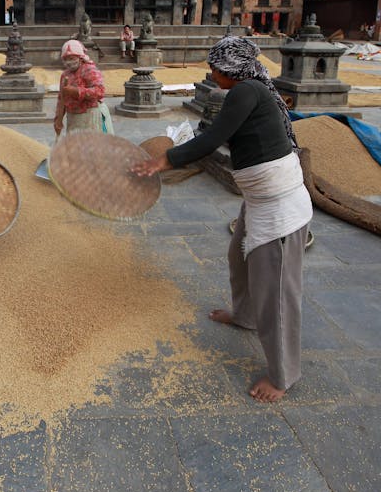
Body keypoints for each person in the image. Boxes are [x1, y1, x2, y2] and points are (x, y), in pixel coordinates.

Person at [131, 36, 313, 403]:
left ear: (231, 68)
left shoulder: (245, 91)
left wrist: (163, 161)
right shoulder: (249, 91)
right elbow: (211, 133)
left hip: (280, 205)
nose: (210, 73)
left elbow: (213, 138)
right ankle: (244, 315)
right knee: (238, 256)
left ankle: (283, 375)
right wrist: (180, 148)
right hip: (260, 198)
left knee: (275, 292)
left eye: (215, 67)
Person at [53, 39, 114, 136]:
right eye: (66, 59)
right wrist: (58, 119)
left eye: (72, 58)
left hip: (90, 115)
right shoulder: (65, 75)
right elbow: (61, 99)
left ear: (80, 57)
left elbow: (100, 91)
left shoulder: (89, 70)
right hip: (73, 118)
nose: (68, 62)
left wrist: (76, 91)